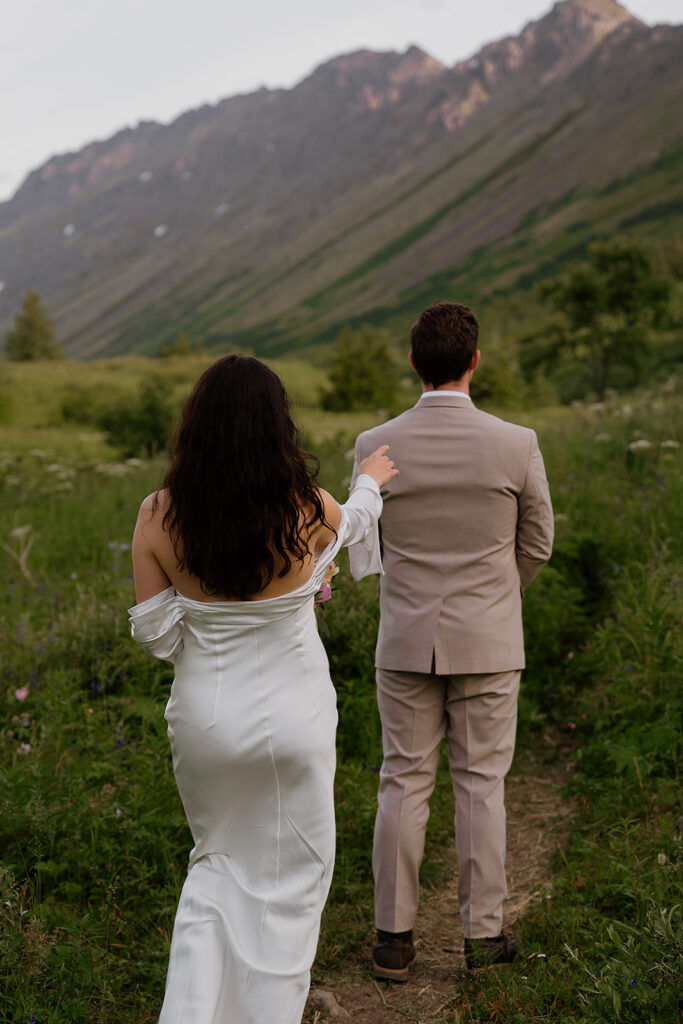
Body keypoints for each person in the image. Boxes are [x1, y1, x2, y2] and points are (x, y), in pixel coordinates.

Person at [129, 354, 398, 1024]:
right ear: (278, 427)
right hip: (296, 716)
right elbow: (356, 524)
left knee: (214, 870)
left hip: (208, 718)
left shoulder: (158, 515)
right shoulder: (307, 510)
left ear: (197, 427)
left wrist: (215, 625)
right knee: (291, 885)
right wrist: (367, 481)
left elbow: (158, 637)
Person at [351, 301, 554, 981]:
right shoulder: (515, 442)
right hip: (490, 642)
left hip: (405, 639)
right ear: (474, 361)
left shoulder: (372, 445)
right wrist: (496, 599)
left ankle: (392, 941)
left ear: (413, 363)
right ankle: (481, 937)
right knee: (481, 785)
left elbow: (366, 544)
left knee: (401, 782)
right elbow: (538, 543)